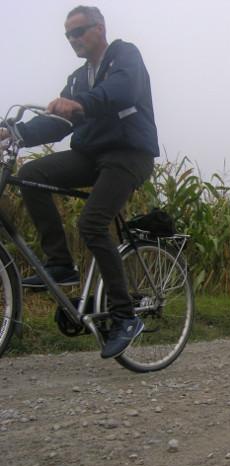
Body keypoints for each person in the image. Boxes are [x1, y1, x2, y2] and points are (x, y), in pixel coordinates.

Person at [0, 6, 159, 358]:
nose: (72, 39)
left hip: (129, 154)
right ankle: (60, 264)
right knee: (31, 175)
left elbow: (122, 91)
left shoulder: (124, 56)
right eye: (68, 35)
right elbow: (57, 123)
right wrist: (13, 133)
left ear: (99, 28)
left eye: (78, 31)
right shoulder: (76, 78)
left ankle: (125, 316)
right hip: (91, 155)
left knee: (92, 222)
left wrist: (78, 104)